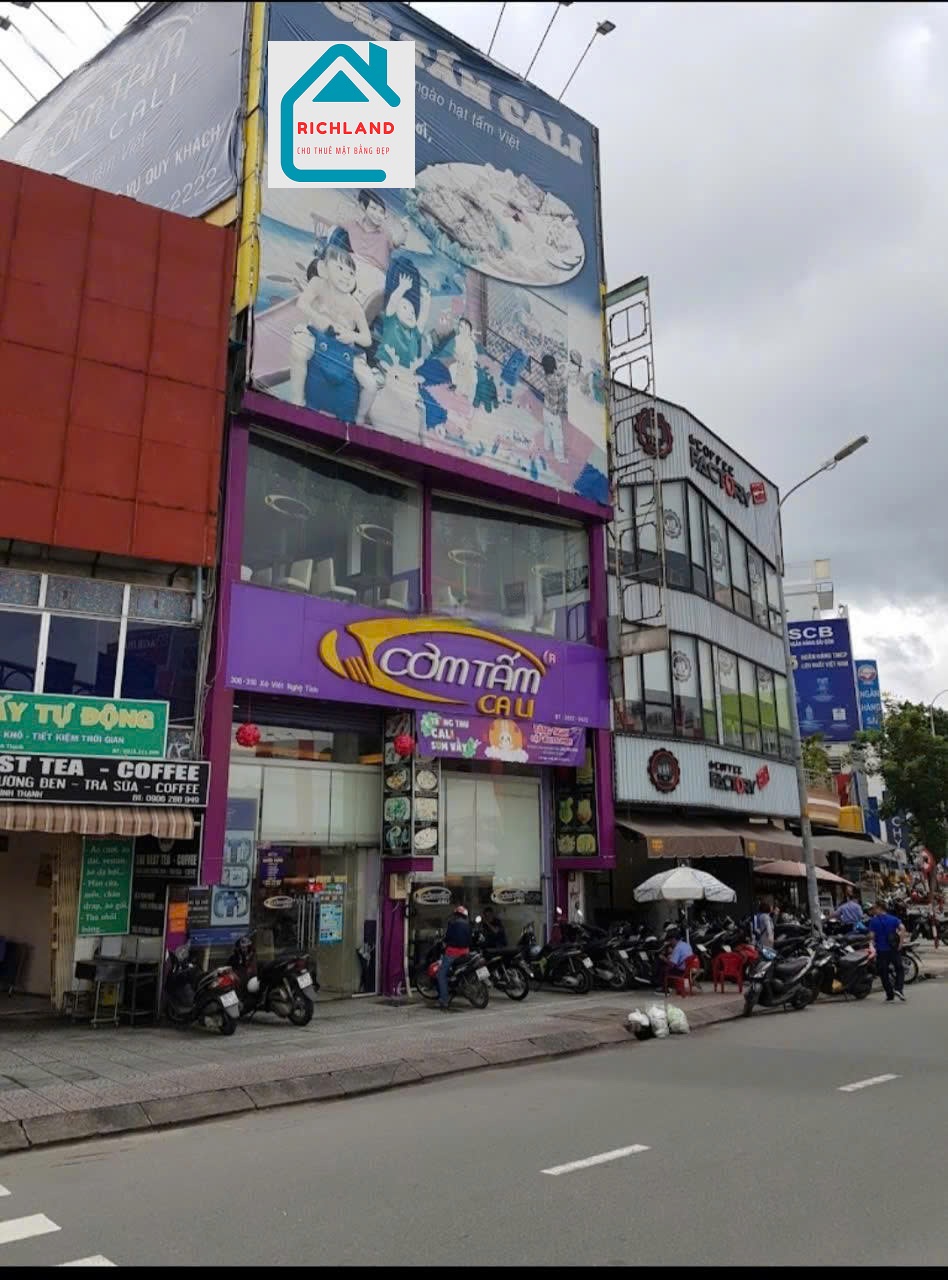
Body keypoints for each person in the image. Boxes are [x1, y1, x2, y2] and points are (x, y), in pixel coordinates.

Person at [345, 189, 405, 272]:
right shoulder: (353, 224)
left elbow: (396, 242)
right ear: (363, 206)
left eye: (381, 212)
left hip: (376, 272)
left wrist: (405, 231)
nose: (377, 215)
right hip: (353, 267)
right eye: (373, 208)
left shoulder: (385, 233)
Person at [868, 902, 906, 1002]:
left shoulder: (874, 921)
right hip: (893, 949)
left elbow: (871, 936)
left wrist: (872, 945)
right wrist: (900, 943)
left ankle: (890, 995)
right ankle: (898, 989)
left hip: (881, 950)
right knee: (899, 969)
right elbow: (902, 928)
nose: (874, 911)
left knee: (883, 973)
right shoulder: (893, 919)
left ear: (880, 908)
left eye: (875, 908)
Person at [438, 905, 471, 1011]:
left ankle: (444, 1000)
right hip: (465, 953)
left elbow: (447, 938)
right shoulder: (467, 925)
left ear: (456, 915)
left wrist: (444, 942)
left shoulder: (452, 924)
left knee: (441, 975)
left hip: (453, 953)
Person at [540, 352, 568, 463]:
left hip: (546, 410)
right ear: (554, 366)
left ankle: (547, 447)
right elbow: (563, 386)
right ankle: (560, 458)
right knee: (558, 437)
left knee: (547, 430)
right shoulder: (556, 380)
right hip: (553, 413)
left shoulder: (546, 377)